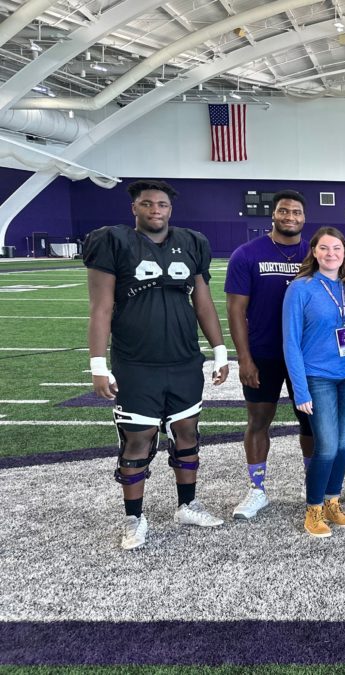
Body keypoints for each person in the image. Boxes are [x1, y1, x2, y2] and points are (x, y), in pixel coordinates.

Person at [85, 179, 229, 550]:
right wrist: (98, 364)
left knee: (187, 436)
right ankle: (134, 518)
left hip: (183, 360)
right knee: (138, 442)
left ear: (170, 209)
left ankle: (187, 505)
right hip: (136, 363)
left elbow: (203, 303)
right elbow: (100, 307)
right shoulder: (113, 242)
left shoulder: (191, 243)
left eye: (162, 204)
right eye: (147, 204)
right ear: (135, 208)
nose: (155, 210)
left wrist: (219, 350)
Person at [225, 189, 315, 520]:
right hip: (263, 353)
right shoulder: (247, 254)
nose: (290, 217)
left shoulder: (315, 253)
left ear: (305, 218)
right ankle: (257, 488)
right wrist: (244, 358)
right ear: (273, 215)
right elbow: (236, 310)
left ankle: (313, 485)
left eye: (297, 212)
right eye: (284, 211)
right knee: (259, 419)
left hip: (307, 357)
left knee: (310, 422)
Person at [282, 227, 345, 538]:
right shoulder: (300, 288)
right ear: (314, 251)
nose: (331, 254)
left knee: (343, 445)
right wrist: (300, 389)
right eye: (325, 248)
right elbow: (291, 342)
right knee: (326, 447)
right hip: (318, 378)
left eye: (337, 249)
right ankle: (313, 508)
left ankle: (332, 502)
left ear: (344, 253)